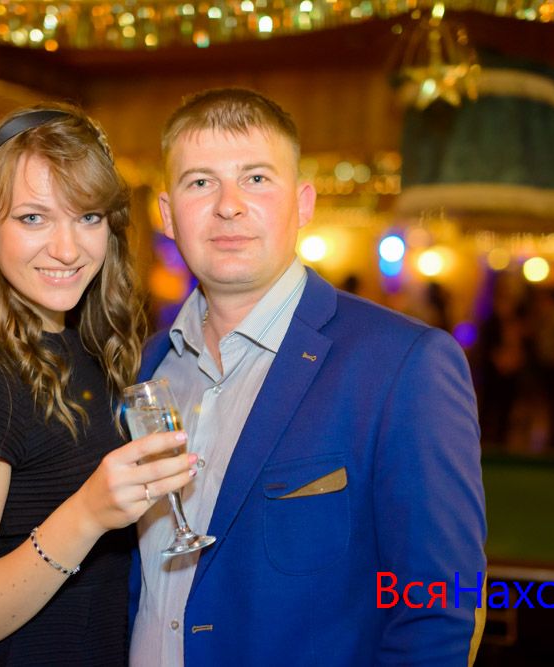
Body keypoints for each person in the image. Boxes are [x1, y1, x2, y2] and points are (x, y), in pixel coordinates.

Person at [131, 88, 486, 665]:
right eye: (200, 182)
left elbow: (438, 608)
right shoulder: (147, 368)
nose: (228, 206)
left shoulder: (404, 365)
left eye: (255, 179)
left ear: (302, 203)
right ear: (167, 215)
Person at [0, 104, 196, 665]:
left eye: (88, 217)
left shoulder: (86, 346)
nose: (68, 249)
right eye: (32, 218)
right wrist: (88, 513)